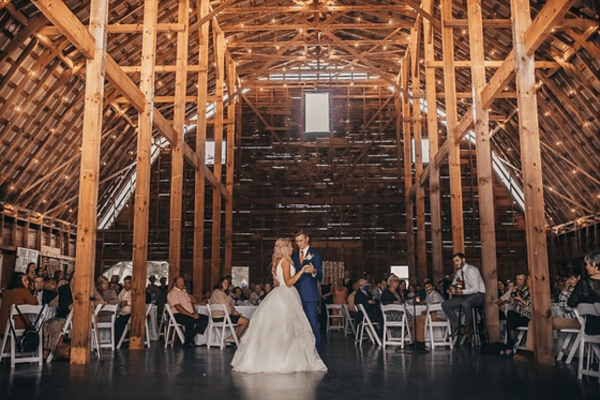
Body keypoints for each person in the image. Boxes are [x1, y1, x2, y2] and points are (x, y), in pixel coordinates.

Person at [230, 238, 327, 373]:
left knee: (278, 329)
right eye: (291, 247)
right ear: (285, 248)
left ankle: (270, 359)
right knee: (287, 328)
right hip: (286, 295)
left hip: (277, 294)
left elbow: (276, 283)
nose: (293, 249)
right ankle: (284, 360)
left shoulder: (276, 262)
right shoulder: (286, 262)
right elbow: (288, 283)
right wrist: (301, 272)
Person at [292, 229, 323, 356]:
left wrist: (314, 271)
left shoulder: (315, 254)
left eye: (300, 240)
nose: (298, 243)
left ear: (307, 239)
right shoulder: (293, 255)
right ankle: (301, 353)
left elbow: (320, 276)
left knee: (313, 324)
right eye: (296, 241)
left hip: (310, 295)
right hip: (295, 295)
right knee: (297, 326)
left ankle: (317, 354)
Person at [442, 253, 486, 337]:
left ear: (463, 260)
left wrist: (462, 292)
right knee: (445, 304)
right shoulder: (459, 272)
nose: (455, 263)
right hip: (466, 297)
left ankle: (468, 326)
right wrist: (452, 288)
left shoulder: (471, 270)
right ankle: (457, 326)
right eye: (454, 261)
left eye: (457, 261)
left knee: (465, 303)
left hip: (477, 296)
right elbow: (454, 283)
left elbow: (476, 288)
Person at [167, 276, 209, 348]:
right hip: (179, 315)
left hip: (190, 313)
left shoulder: (184, 292)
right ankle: (188, 342)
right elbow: (179, 308)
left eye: (183, 282)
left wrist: (195, 313)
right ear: (175, 284)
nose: (182, 283)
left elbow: (191, 304)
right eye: (179, 282)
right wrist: (191, 315)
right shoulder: (173, 293)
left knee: (205, 318)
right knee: (190, 321)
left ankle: (191, 336)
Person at [567, 251, 600, 335]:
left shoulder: (585, 284)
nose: (586, 267)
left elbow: (571, 302)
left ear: (595, 266)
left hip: (594, 329)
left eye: (588, 264)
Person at [413, 280, 446, 350]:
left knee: (420, 318)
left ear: (433, 287)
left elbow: (434, 309)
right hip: (432, 315)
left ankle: (421, 342)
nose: (427, 288)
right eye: (426, 287)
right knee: (414, 318)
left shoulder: (435, 294)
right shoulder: (428, 295)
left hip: (439, 316)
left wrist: (425, 312)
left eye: (429, 286)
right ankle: (415, 340)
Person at [504, 273, 531, 356]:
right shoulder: (518, 291)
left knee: (511, 317)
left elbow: (530, 306)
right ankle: (512, 339)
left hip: (527, 316)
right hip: (517, 315)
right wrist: (510, 293)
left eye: (520, 279)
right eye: (517, 279)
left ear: (525, 281)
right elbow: (506, 302)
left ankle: (511, 343)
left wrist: (520, 299)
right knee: (510, 314)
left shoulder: (530, 291)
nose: (518, 281)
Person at [552, 267, 581, 331]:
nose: (570, 281)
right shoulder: (570, 289)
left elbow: (575, 311)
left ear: (578, 277)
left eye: (572, 279)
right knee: (540, 322)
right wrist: (565, 290)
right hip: (571, 318)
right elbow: (562, 305)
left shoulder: (580, 290)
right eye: (568, 279)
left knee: (546, 322)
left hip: (578, 320)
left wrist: (562, 316)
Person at [114, 276, 132, 343]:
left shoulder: (134, 292)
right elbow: (118, 300)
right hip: (121, 313)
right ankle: (117, 340)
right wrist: (120, 304)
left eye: (129, 283)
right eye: (125, 283)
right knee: (116, 322)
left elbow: (137, 303)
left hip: (130, 315)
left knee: (119, 323)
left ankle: (119, 340)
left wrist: (128, 303)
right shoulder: (123, 291)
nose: (126, 285)